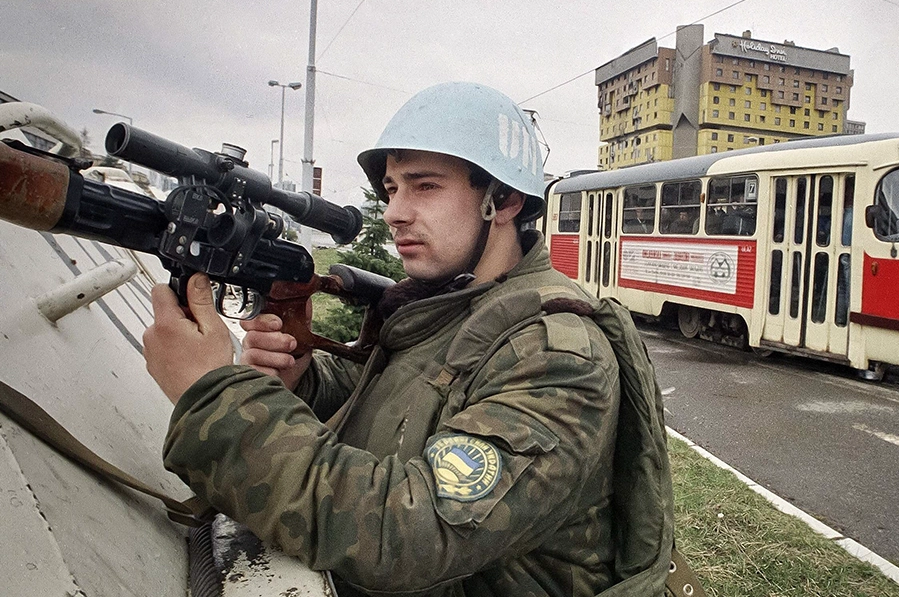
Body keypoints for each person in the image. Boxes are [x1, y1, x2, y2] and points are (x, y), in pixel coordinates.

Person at [142, 82, 671, 596]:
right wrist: (302, 380)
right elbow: (394, 396)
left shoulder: (557, 356)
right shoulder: (449, 302)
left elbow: (408, 534)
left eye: (426, 186)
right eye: (393, 189)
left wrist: (214, 395)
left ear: (503, 200)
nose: (395, 212)